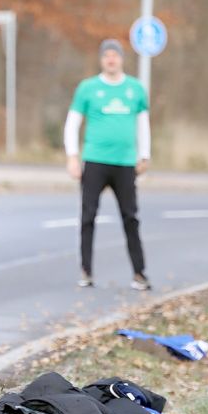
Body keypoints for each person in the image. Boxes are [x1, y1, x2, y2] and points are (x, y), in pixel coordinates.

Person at [64, 39, 151, 291]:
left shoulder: (135, 89)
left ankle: (139, 273)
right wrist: (72, 156)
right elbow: (72, 123)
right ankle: (86, 271)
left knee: (130, 218)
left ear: (121, 59)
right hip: (95, 161)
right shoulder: (88, 88)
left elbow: (143, 123)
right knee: (88, 216)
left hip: (125, 163)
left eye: (115, 55)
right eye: (107, 56)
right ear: (102, 59)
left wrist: (144, 154)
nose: (111, 59)